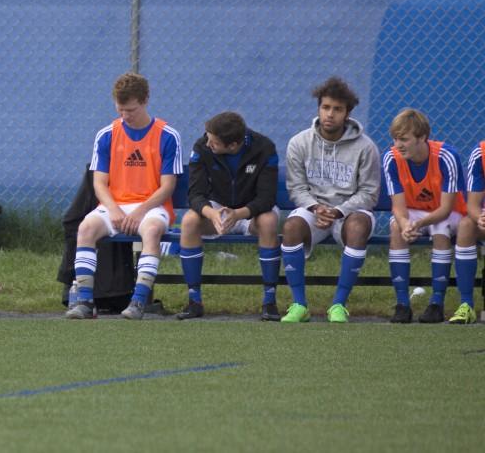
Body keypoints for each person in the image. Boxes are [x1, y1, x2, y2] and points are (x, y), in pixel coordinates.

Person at [65, 72, 183, 320]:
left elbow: (167, 186)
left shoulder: (167, 135)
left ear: (145, 100)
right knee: (85, 228)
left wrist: (139, 211)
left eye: (131, 110)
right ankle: (85, 302)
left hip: (152, 206)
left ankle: (138, 302)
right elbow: (99, 183)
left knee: (150, 232)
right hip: (114, 205)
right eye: (120, 110)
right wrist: (115, 210)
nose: (125, 116)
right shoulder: (106, 134)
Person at [282, 77, 380, 324]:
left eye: (337, 109)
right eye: (326, 107)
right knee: (291, 227)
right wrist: (316, 207)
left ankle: (338, 305)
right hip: (313, 210)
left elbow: (369, 193)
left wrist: (338, 211)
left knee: (358, 226)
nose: (330, 115)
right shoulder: (299, 143)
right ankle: (299, 305)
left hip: (349, 212)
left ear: (347, 113)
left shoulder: (366, 147)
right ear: (318, 108)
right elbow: (296, 188)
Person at [179, 111, 280, 320]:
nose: (208, 144)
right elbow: (195, 194)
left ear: (233, 145)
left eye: (214, 142)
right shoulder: (201, 147)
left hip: (251, 212)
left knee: (269, 221)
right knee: (189, 221)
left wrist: (239, 214)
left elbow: (267, 198)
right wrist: (213, 213)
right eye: (208, 138)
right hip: (218, 210)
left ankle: (269, 302)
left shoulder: (264, 148)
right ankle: (194, 301)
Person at [383, 109, 466, 324]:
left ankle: (436, 303)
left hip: (451, 213)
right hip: (416, 212)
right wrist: (405, 225)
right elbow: (398, 208)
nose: (398, 144)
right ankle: (402, 305)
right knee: (395, 228)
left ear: (422, 138)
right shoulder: (391, 158)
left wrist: (417, 223)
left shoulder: (446, 156)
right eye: (395, 138)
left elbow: (446, 209)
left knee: (440, 228)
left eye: (404, 139)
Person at [450, 141, 484, 324]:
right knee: (466, 225)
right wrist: (480, 218)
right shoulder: (481, 153)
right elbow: (472, 205)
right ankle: (466, 305)